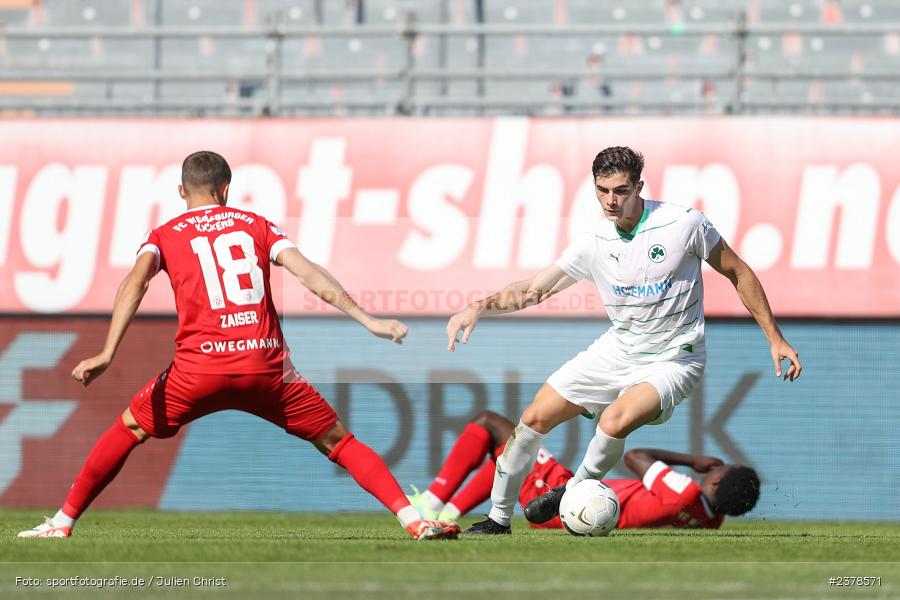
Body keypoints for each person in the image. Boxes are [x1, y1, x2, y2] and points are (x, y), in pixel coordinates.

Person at [18, 151, 459, 541]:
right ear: (226, 188)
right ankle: (414, 520)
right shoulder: (256, 225)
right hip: (265, 368)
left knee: (129, 428)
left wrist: (107, 352)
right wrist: (369, 320)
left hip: (196, 373)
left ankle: (62, 522)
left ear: (181, 190)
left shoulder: (163, 235)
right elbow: (309, 273)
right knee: (338, 441)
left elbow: (135, 283)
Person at [446, 146, 800, 534]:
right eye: (602, 191)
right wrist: (479, 306)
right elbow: (533, 290)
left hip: (675, 359)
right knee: (533, 419)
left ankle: (572, 491)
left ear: (639, 187)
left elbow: (738, 272)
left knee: (614, 421)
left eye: (620, 191)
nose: (611, 201)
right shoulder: (593, 242)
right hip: (617, 350)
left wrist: (775, 337)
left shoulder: (684, 224)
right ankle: (498, 519)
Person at [407, 411, 759, 530]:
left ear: (716, 479)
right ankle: (448, 513)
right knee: (511, 458)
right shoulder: (711, 520)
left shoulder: (686, 492)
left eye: (725, 466)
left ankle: (430, 504)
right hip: (582, 508)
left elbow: (635, 456)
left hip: (567, 499)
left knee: (490, 424)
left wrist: (692, 460)